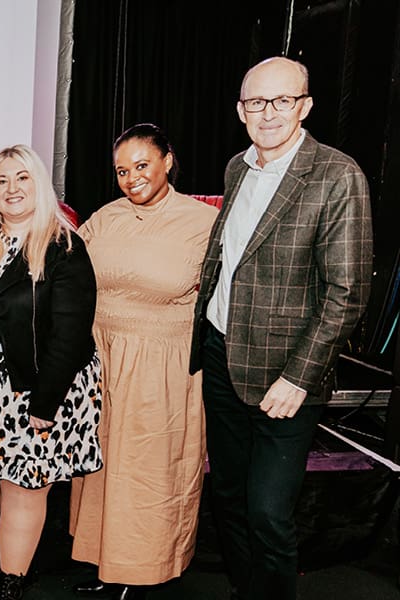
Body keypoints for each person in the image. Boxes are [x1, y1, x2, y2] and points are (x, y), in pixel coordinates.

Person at [190, 57, 373, 600]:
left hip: (286, 376)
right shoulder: (237, 167)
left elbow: (347, 293)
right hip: (223, 358)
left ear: (305, 106)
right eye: (255, 102)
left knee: (269, 512)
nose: (267, 113)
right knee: (227, 497)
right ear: (240, 110)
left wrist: (299, 377)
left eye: (281, 101)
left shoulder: (338, 176)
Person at [0, 144, 103, 600]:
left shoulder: (62, 246)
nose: (11, 188)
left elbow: (69, 335)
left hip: (37, 391)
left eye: (22, 178)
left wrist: (45, 403)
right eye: (1, 180)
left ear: (40, 185)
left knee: (25, 487)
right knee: (7, 485)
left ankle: (10, 588)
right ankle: (16, 572)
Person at [68, 124, 218, 600]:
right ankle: (100, 560)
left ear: (167, 161)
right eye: (121, 171)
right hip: (100, 360)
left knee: (148, 469)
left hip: (161, 366)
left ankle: (144, 569)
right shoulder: (104, 218)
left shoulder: (203, 223)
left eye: (141, 165)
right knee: (100, 466)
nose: (131, 178)